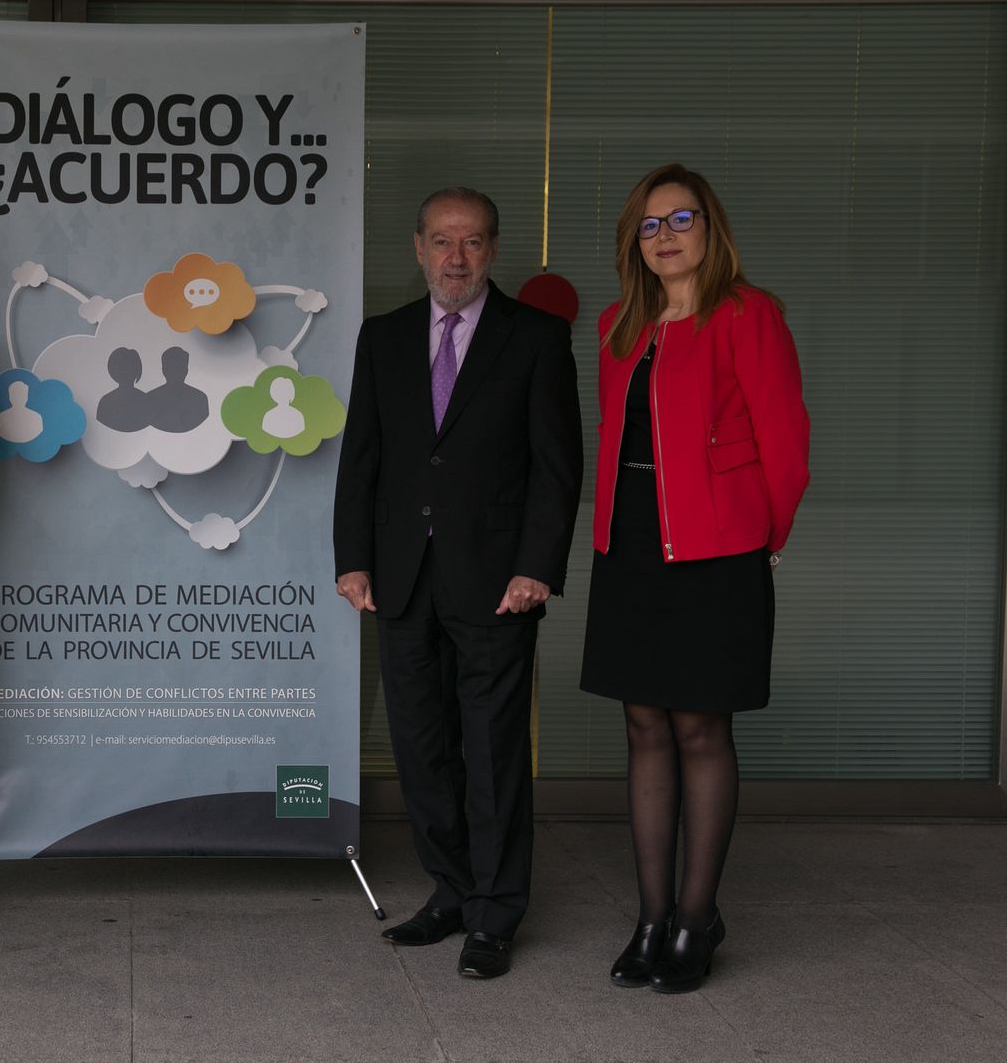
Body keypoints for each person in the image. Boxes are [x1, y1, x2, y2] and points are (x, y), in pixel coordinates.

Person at [333, 187, 582, 979]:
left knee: (493, 750)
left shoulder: (537, 339)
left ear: (493, 249)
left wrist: (537, 566)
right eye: (442, 240)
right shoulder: (383, 338)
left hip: (497, 582)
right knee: (422, 749)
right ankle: (450, 890)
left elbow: (556, 467)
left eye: (472, 242)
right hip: (401, 579)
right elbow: (362, 459)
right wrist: (352, 557)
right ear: (418, 248)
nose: (456, 257)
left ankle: (495, 914)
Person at [581, 163, 810, 994]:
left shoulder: (749, 315)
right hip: (631, 546)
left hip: (718, 550)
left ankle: (695, 917)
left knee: (701, 731)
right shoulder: (618, 324)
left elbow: (785, 441)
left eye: (680, 220)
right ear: (633, 244)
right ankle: (650, 917)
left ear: (710, 230)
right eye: (649, 226)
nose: (665, 236)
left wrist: (763, 537)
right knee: (644, 724)